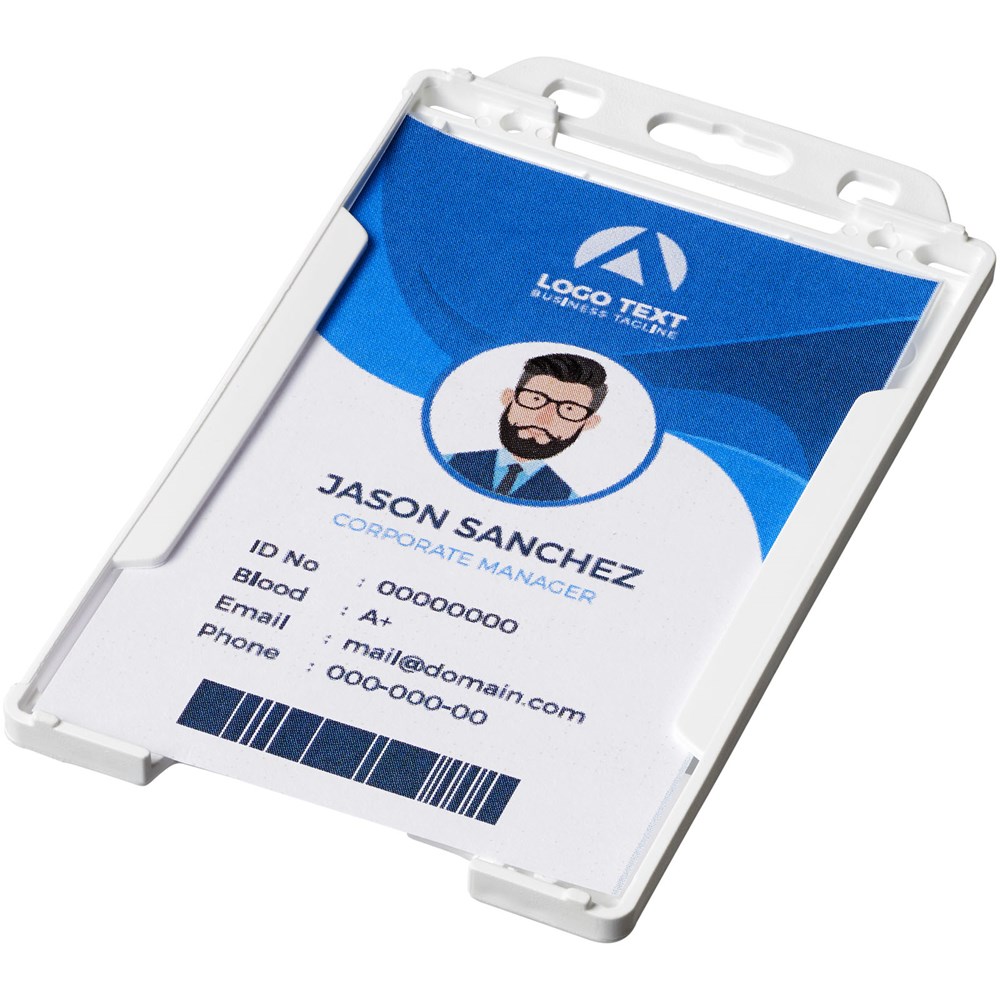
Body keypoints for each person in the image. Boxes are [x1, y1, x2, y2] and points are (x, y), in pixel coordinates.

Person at [445, 353, 607, 502]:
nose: (543, 419)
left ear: (588, 423)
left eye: (569, 409)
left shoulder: (568, 501)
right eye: (536, 399)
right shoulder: (448, 463)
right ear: (509, 398)